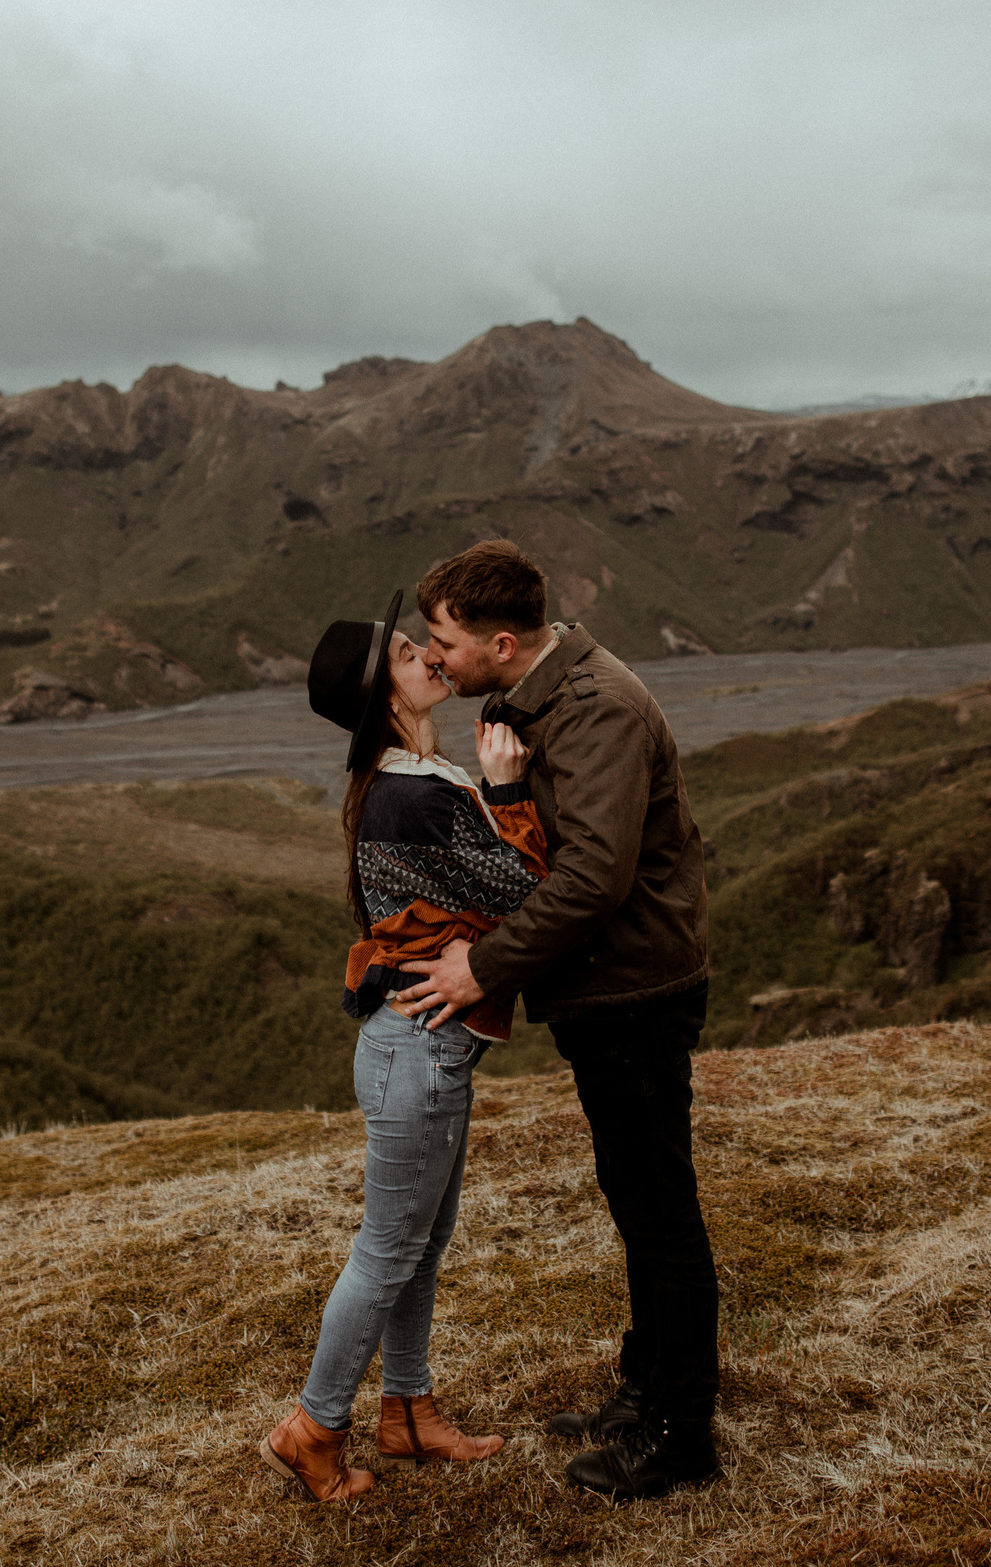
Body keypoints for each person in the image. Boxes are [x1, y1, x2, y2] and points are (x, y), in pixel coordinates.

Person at [398, 538, 721, 1502]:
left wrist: (479, 969)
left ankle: (681, 1439)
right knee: (636, 1199)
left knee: (660, 1213)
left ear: (501, 640)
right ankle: (645, 1394)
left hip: (634, 987)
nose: (434, 654)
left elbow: (591, 878)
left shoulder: (595, 710)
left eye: (445, 638)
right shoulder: (534, 695)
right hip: (604, 983)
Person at [260, 590, 547, 1503]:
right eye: (404, 652)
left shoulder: (405, 782)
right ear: (382, 694)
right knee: (389, 1248)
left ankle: (409, 1412)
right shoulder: (414, 794)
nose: (427, 653)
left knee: (422, 1242)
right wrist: (506, 788)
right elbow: (526, 881)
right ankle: (313, 1426)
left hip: (425, 1046)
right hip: (415, 1052)